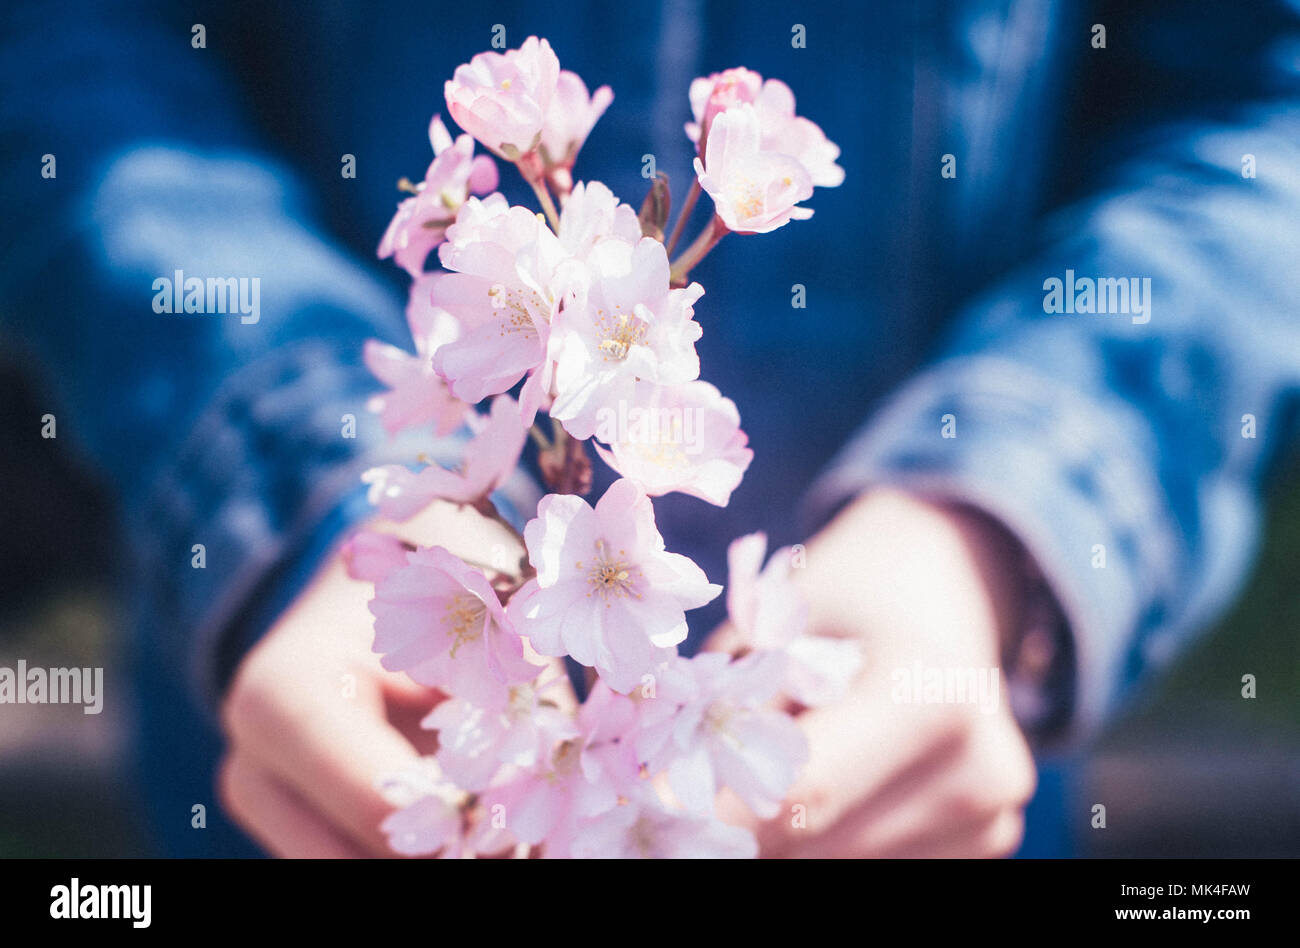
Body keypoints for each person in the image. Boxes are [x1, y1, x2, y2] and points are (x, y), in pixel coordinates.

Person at [5, 0, 1300, 857]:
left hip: (907, 774)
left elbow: (1260, 94)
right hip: (346, 755)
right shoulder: (503, 317)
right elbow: (63, 49)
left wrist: (999, 516)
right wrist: (285, 479)